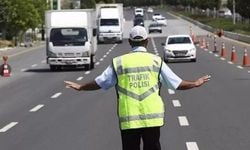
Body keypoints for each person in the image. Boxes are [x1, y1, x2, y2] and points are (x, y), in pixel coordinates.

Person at [64, 25, 211, 150]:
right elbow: (176, 83)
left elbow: (100, 82)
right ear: (146, 41)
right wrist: (194, 83)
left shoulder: (119, 62)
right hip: (152, 119)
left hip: (129, 120)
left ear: (130, 42)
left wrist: (81, 86)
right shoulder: (156, 61)